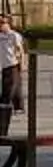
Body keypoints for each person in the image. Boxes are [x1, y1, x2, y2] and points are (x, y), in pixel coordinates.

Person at [0, 10, 22, 139]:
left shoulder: (14, 36)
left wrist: (22, 64)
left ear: (8, 24)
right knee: (6, 93)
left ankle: (3, 126)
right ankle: (17, 107)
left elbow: (20, 50)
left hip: (12, 65)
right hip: (3, 68)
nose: (1, 25)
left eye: (3, 23)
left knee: (8, 93)